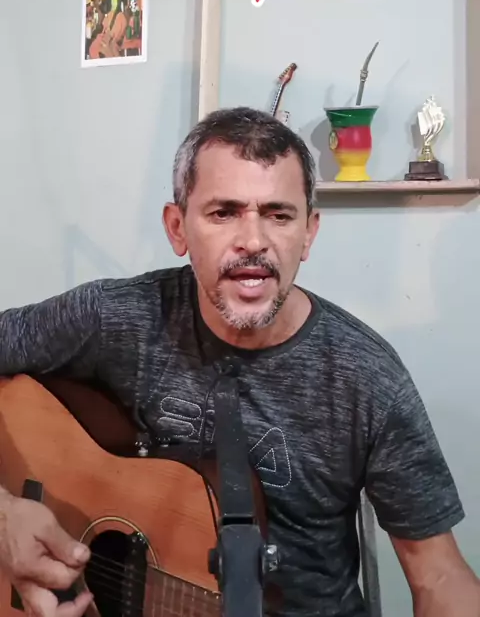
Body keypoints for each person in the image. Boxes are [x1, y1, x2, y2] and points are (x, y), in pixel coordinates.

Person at [0, 105, 478, 617]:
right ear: (177, 228)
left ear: (309, 233)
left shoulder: (367, 377)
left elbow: (439, 576)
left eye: (278, 214)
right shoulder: (113, 318)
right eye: (223, 213)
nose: (253, 242)